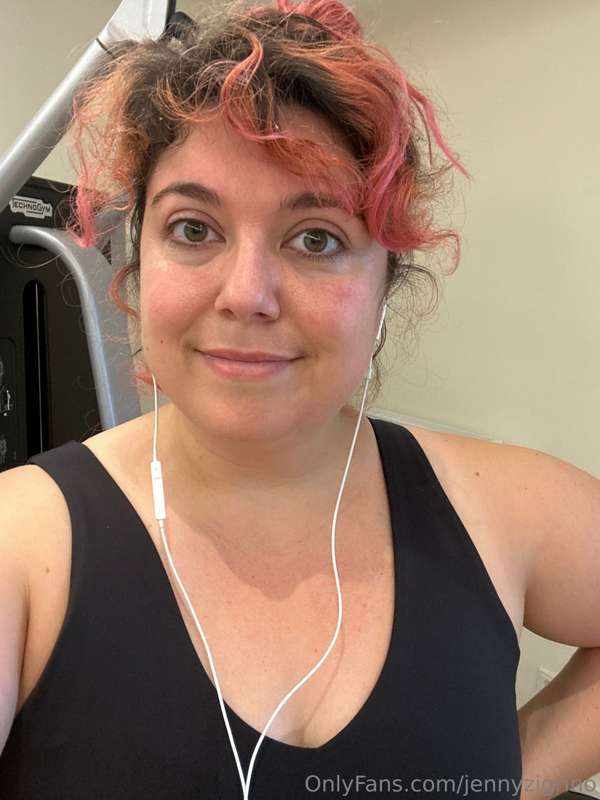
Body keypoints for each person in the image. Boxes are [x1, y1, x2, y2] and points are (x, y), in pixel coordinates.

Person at [1, 1, 599, 798]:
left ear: (386, 282)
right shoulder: (21, 548)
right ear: (137, 260)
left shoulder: (502, 508)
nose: (247, 294)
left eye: (316, 238)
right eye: (193, 228)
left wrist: (511, 779)